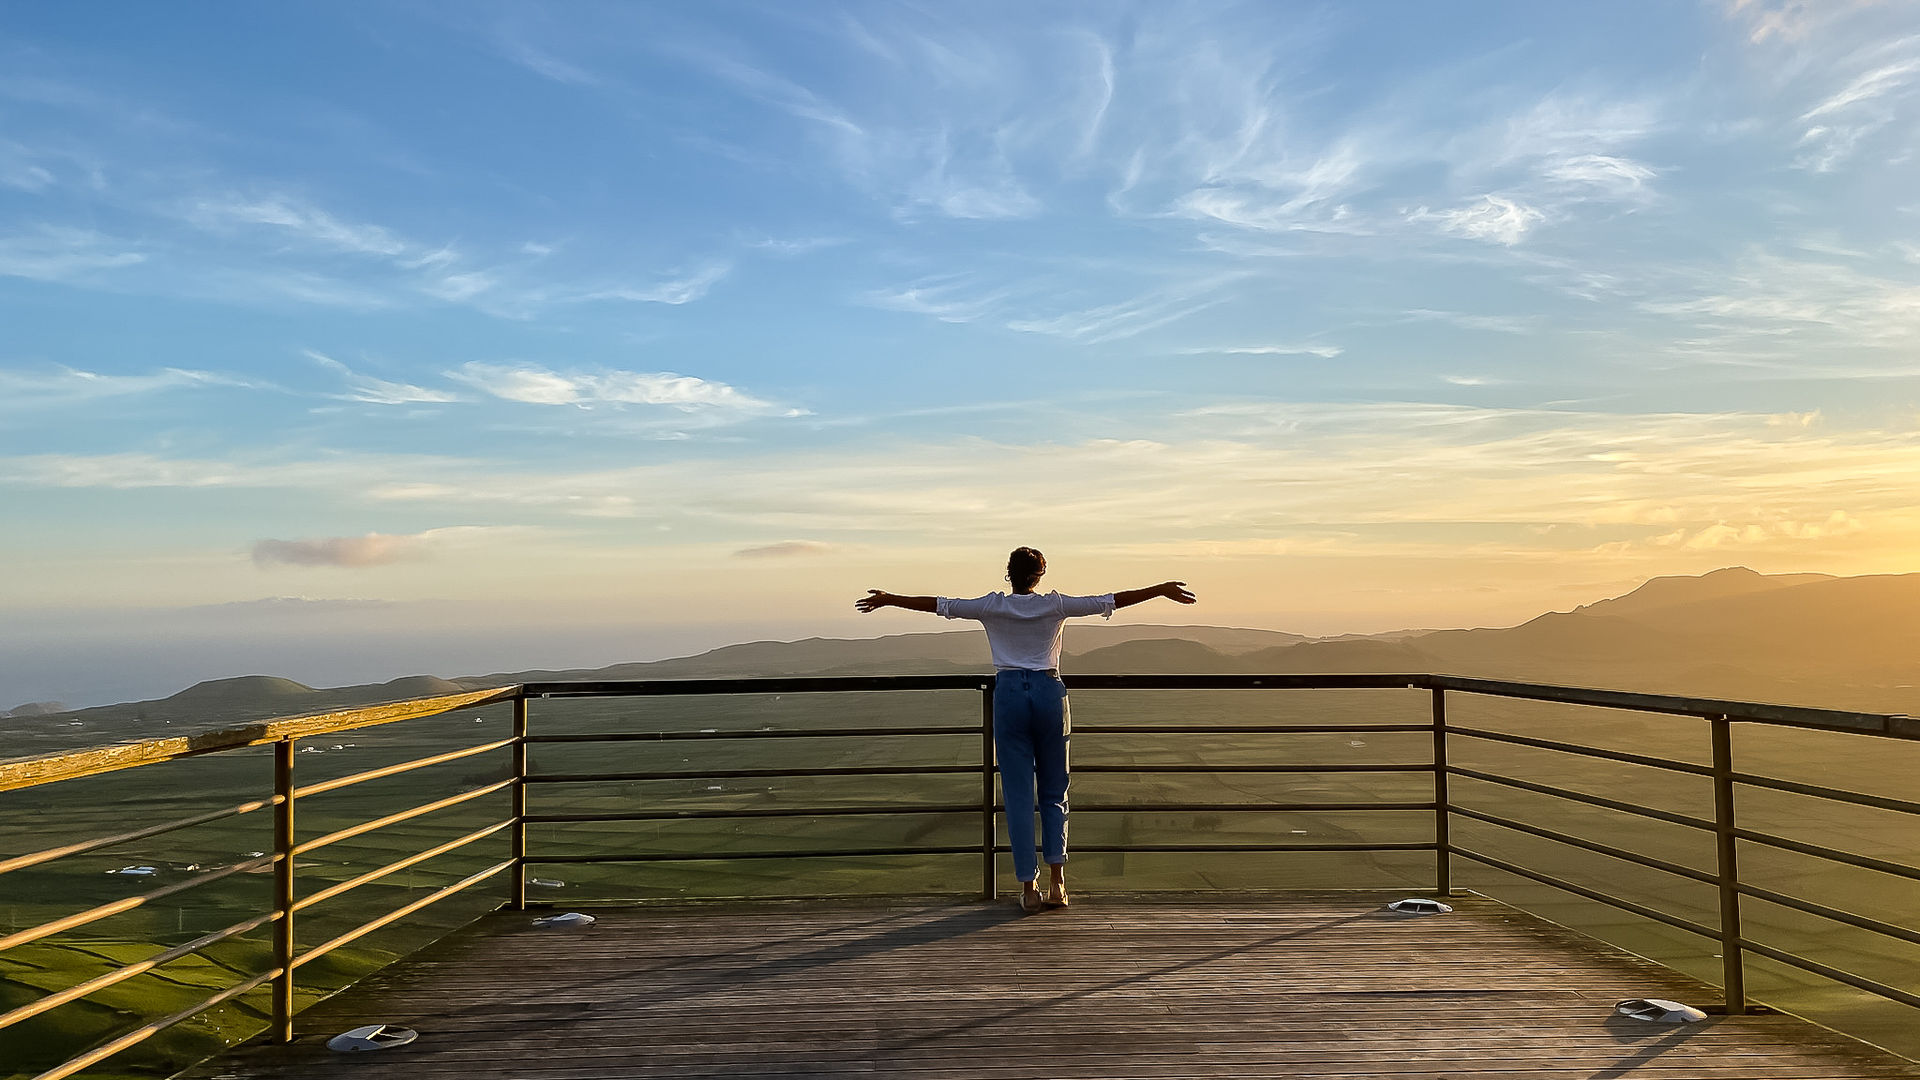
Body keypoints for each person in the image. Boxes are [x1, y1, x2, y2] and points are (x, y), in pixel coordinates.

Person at [855, 547, 1197, 913]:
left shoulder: (991, 607)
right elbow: (1109, 600)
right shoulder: (1055, 605)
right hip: (1050, 694)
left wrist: (890, 599)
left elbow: (941, 605)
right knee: (1054, 790)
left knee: (1018, 796)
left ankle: (1028, 888)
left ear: (1008, 573)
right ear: (1040, 575)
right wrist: (1160, 589)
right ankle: (1057, 883)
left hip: (1009, 697)